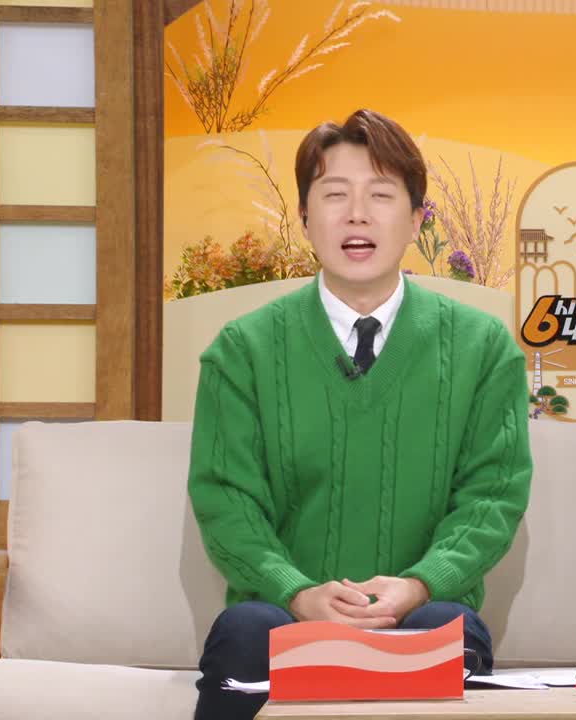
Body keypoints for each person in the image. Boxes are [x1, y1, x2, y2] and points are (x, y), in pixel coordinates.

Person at [187, 108, 533, 720]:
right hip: (282, 615)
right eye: (334, 195)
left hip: (420, 609)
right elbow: (226, 500)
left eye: (380, 194)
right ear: (304, 218)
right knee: (244, 630)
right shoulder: (242, 350)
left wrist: (418, 585)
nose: (357, 214)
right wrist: (297, 593)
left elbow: (492, 496)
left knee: (446, 627)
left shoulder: (483, 349)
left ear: (416, 219)